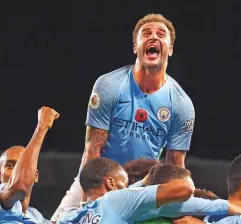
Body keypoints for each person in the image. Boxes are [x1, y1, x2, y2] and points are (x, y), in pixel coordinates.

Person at [52, 13, 195, 221]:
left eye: (160, 34)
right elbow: (92, 150)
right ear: (136, 47)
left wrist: (179, 208)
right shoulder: (109, 85)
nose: (153, 37)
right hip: (101, 178)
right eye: (146, 33)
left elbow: (174, 167)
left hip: (143, 183)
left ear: (170, 49)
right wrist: (88, 200)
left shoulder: (182, 105)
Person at [57, 158, 241, 224]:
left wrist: (144, 182)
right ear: (110, 183)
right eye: (124, 185)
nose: (129, 190)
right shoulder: (118, 200)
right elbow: (183, 190)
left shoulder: (69, 216)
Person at [0, 106, 59, 223]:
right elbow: (20, 187)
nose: (16, 171)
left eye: (21, 166)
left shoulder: (36, 217)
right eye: (10, 166)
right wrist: (42, 127)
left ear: (36, 175)